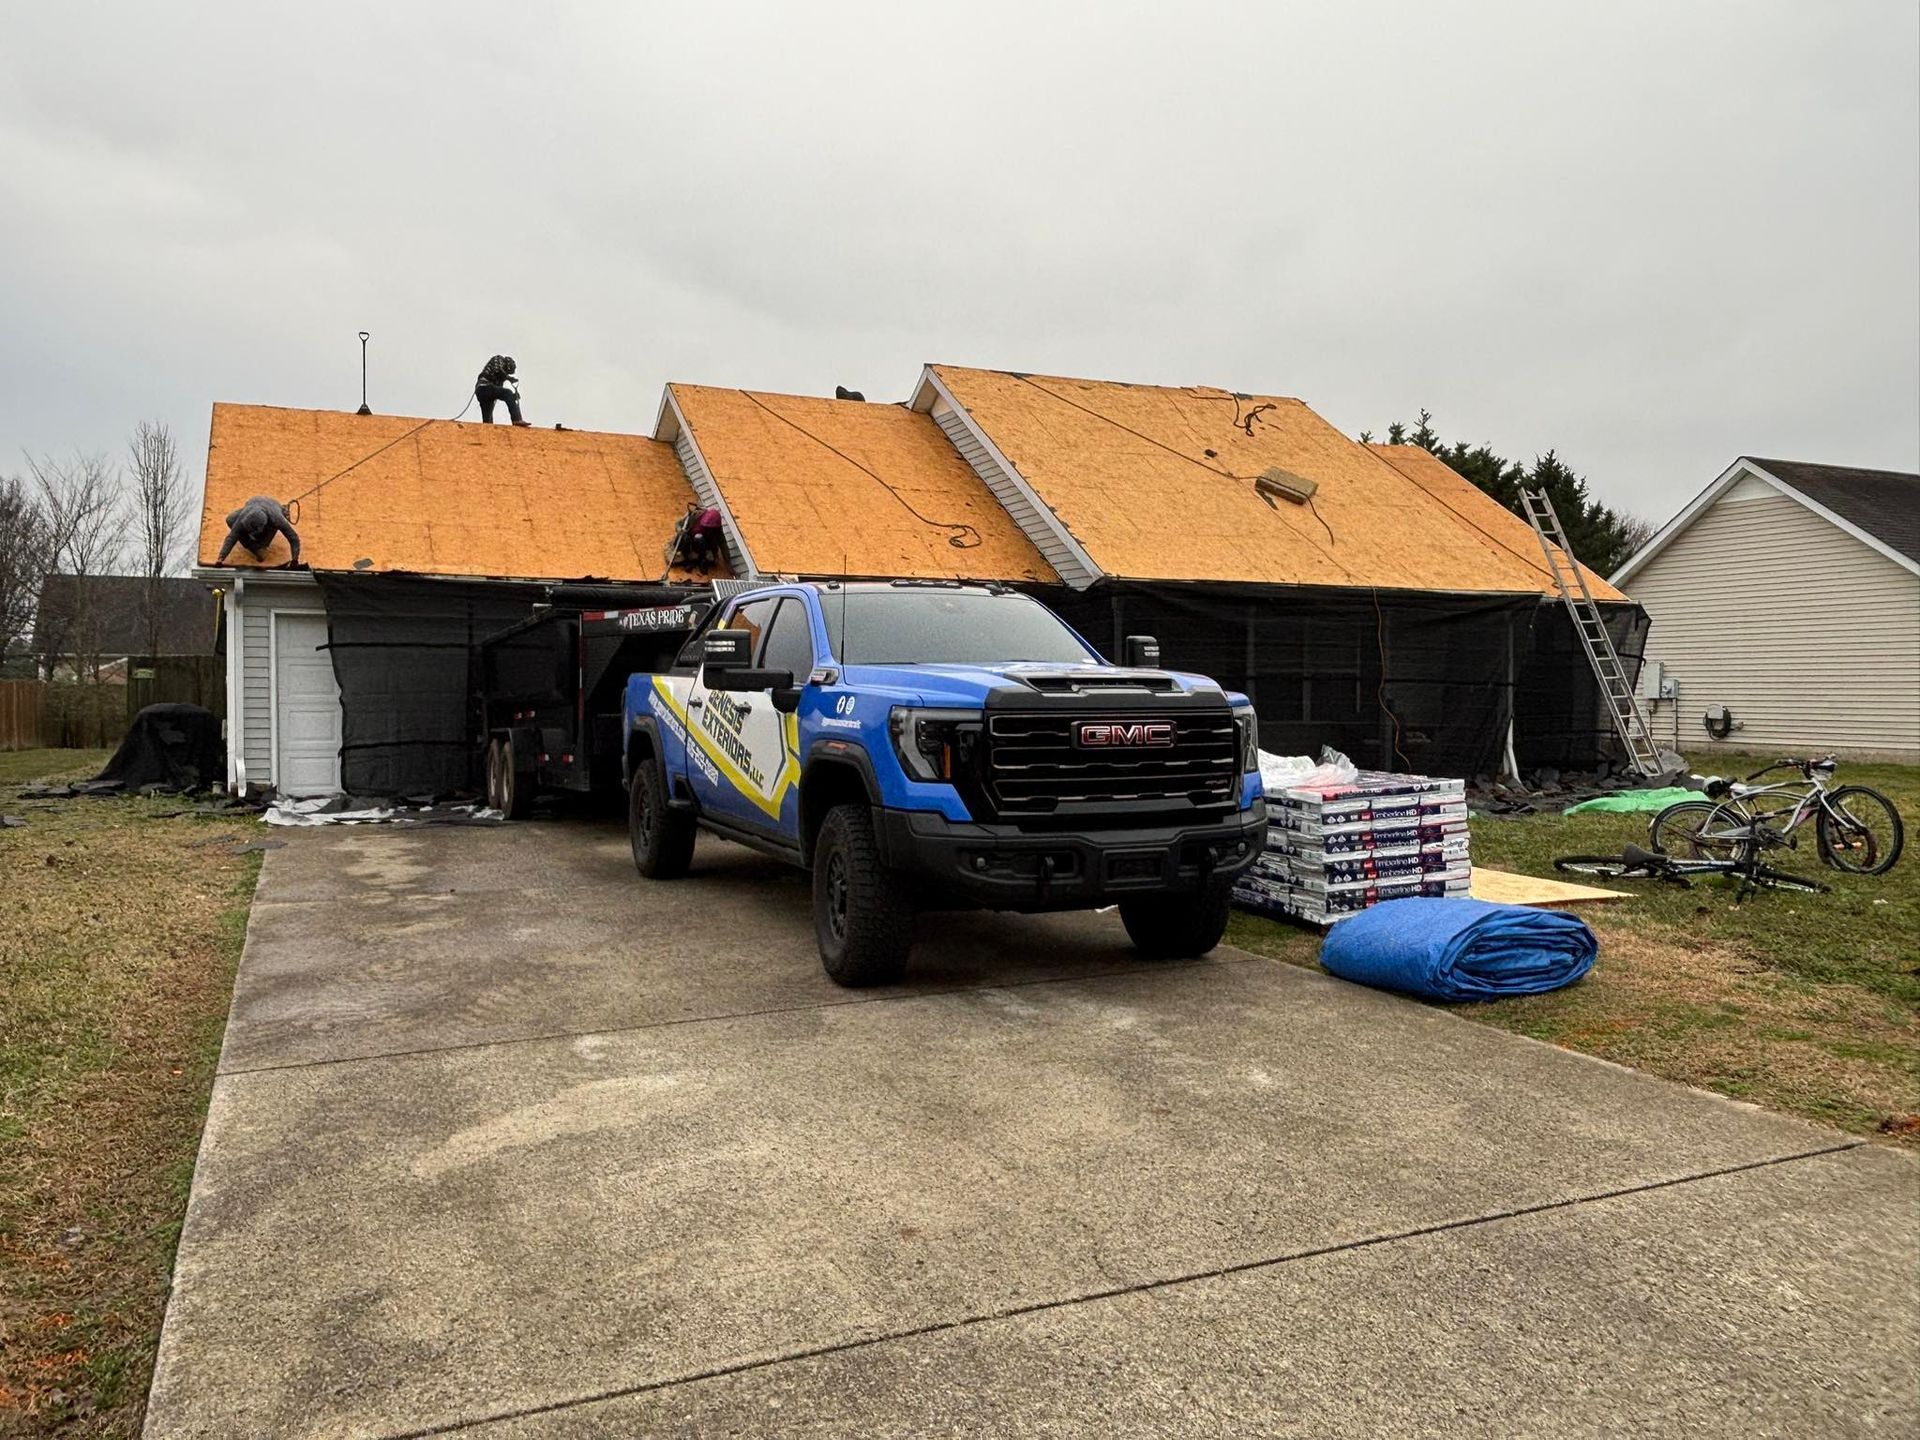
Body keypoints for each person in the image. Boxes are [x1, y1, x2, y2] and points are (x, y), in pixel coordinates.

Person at [216, 496, 302, 565]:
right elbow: (231, 537)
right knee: (230, 519)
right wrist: (221, 558)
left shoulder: (277, 519)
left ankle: (261, 546)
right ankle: (253, 547)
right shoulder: (243, 517)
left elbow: (293, 537)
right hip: (254, 503)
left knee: (267, 533)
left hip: (272, 508)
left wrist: (295, 559)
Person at [475, 355, 529, 426]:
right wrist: (509, 378)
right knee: (508, 392)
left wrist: (513, 397)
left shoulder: (501, 378)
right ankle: (517, 419)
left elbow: (499, 392)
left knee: (488, 422)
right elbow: (497, 369)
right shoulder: (498, 359)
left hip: (485, 393)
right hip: (484, 387)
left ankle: (487, 432)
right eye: (507, 371)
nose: (507, 373)